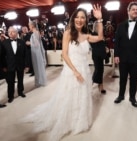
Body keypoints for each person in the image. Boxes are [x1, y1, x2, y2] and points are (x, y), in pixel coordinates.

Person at [22, 4, 103, 141]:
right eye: (77, 17)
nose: (79, 19)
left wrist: (100, 20)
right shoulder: (67, 32)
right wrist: (76, 72)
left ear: (85, 20)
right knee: (68, 96)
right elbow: (65, 55)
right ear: (73, 19)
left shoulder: (86, 35)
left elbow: (100, 38)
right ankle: (68, 119)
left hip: (85, 69)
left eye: (82, 17)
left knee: (82, 95)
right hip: (72, 71)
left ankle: (78, 120)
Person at [113, 1, 137, 108]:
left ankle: (132, 97)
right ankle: (120, 95)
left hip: (136, 58)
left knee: (134, 79)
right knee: (122, 78)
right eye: (133, 9)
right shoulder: (120, 25)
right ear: (128, 11)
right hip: (123, 57)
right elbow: (117, 42)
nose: (135, 11)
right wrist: (116, 55)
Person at [1, 26, 29, 103]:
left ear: (16, 33)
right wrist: (4, 66)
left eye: (12, 31)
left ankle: (21, 92)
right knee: (10, 81)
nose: (10, 33)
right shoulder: (4, 43)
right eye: (9, 32)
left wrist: (26, 65)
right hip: (9, 65)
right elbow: (2, 56)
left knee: (20, 79)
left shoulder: (22, 42)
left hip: (20, 64)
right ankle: (10, 96)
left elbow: (25, 54)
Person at [28, 21, 47, 87]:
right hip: (36, 52)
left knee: (38, 66)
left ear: (32, 26)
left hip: (37, 53)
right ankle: (39, 81)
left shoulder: (35, 33)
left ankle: (40, 81)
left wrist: (29, 43)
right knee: (37, 66)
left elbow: (36, 44)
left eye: (29, 26)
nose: (29, 27)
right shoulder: (35, 33)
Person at [90, 21, 107, 94]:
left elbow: (102, 44)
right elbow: (94, 45)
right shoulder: (93, 34)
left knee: (101, 70)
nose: (102, 28)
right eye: (100, 26)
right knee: (97, 70)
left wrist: (105, 48)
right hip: (96, 55)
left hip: (101, 54)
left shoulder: (101, 34)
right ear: (96, 27)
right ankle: (92, 83)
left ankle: (101, 86)